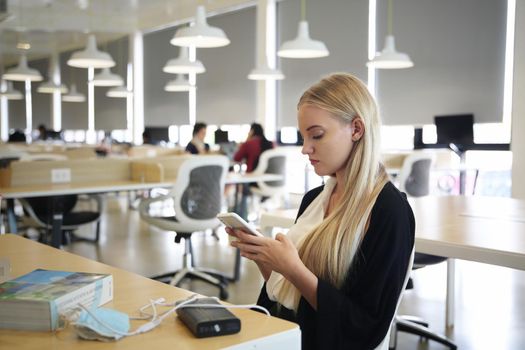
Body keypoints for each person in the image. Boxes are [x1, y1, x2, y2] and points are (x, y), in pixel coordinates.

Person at [226, 73, 415, 349]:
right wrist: (266, 260)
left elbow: (365, 327)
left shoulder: (389, 212)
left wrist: (293, 268)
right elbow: (291, 295)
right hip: (291, 335)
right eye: (303, 136)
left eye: (316, 135)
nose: (305, 148)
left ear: (357, 129)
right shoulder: (315, 199)